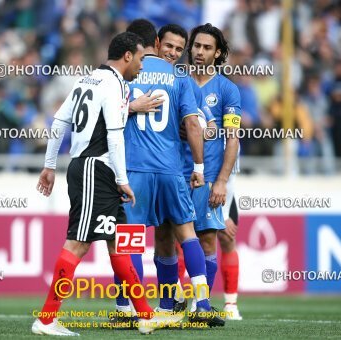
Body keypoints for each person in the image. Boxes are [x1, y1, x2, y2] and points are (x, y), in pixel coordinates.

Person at [32, 31, 181, 337]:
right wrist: (123, 181)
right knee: (78, 243)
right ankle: (46, 319)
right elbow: (113, 134)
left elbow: (59, 121)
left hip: (93, 169)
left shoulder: (87, 79)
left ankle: (144, 314)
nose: (142, 65)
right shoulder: (114, 85)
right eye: (140, 58)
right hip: (94, 169)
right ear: (127, 56)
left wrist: (49, 165)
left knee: (120, 243)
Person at [112, 19, 225, 328]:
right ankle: (201, 303)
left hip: (134, 168)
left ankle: (127, 309)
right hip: (171, 169)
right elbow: (196, 125)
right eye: (170, 46)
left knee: (130, 240)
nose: (175, 53)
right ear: (157, 44)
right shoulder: (181, 78)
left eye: (180, 48)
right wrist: (200, 168)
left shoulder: (125, 74)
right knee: (186, 234)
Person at [184, 23, 243, 320]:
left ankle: (202, 305)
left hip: (208, 179)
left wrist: (221, 181)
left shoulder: (227, 89)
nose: (200, 52)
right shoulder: (177, 81)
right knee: (170, 239)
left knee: (209, 239)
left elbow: (232, 138)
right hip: (176, 173)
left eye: (207, 48)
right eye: (196, 46)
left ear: (217, 53)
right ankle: (170, 303)